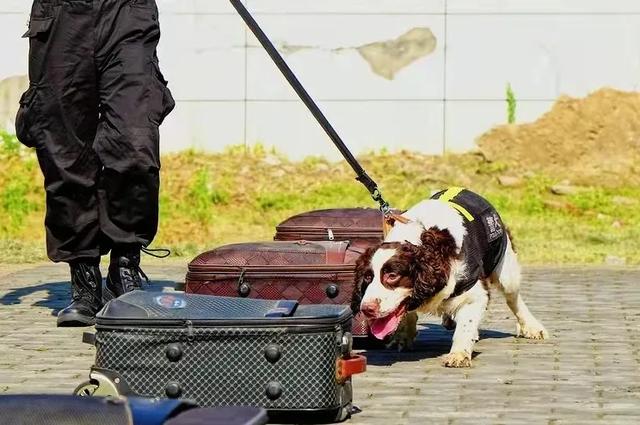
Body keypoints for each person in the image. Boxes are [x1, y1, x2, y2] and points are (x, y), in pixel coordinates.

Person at [15, 0, 175, 327]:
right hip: (61, 16)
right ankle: (84, 281)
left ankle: (124, 269)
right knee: (64, 155)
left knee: (135, 144)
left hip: (127, 14)